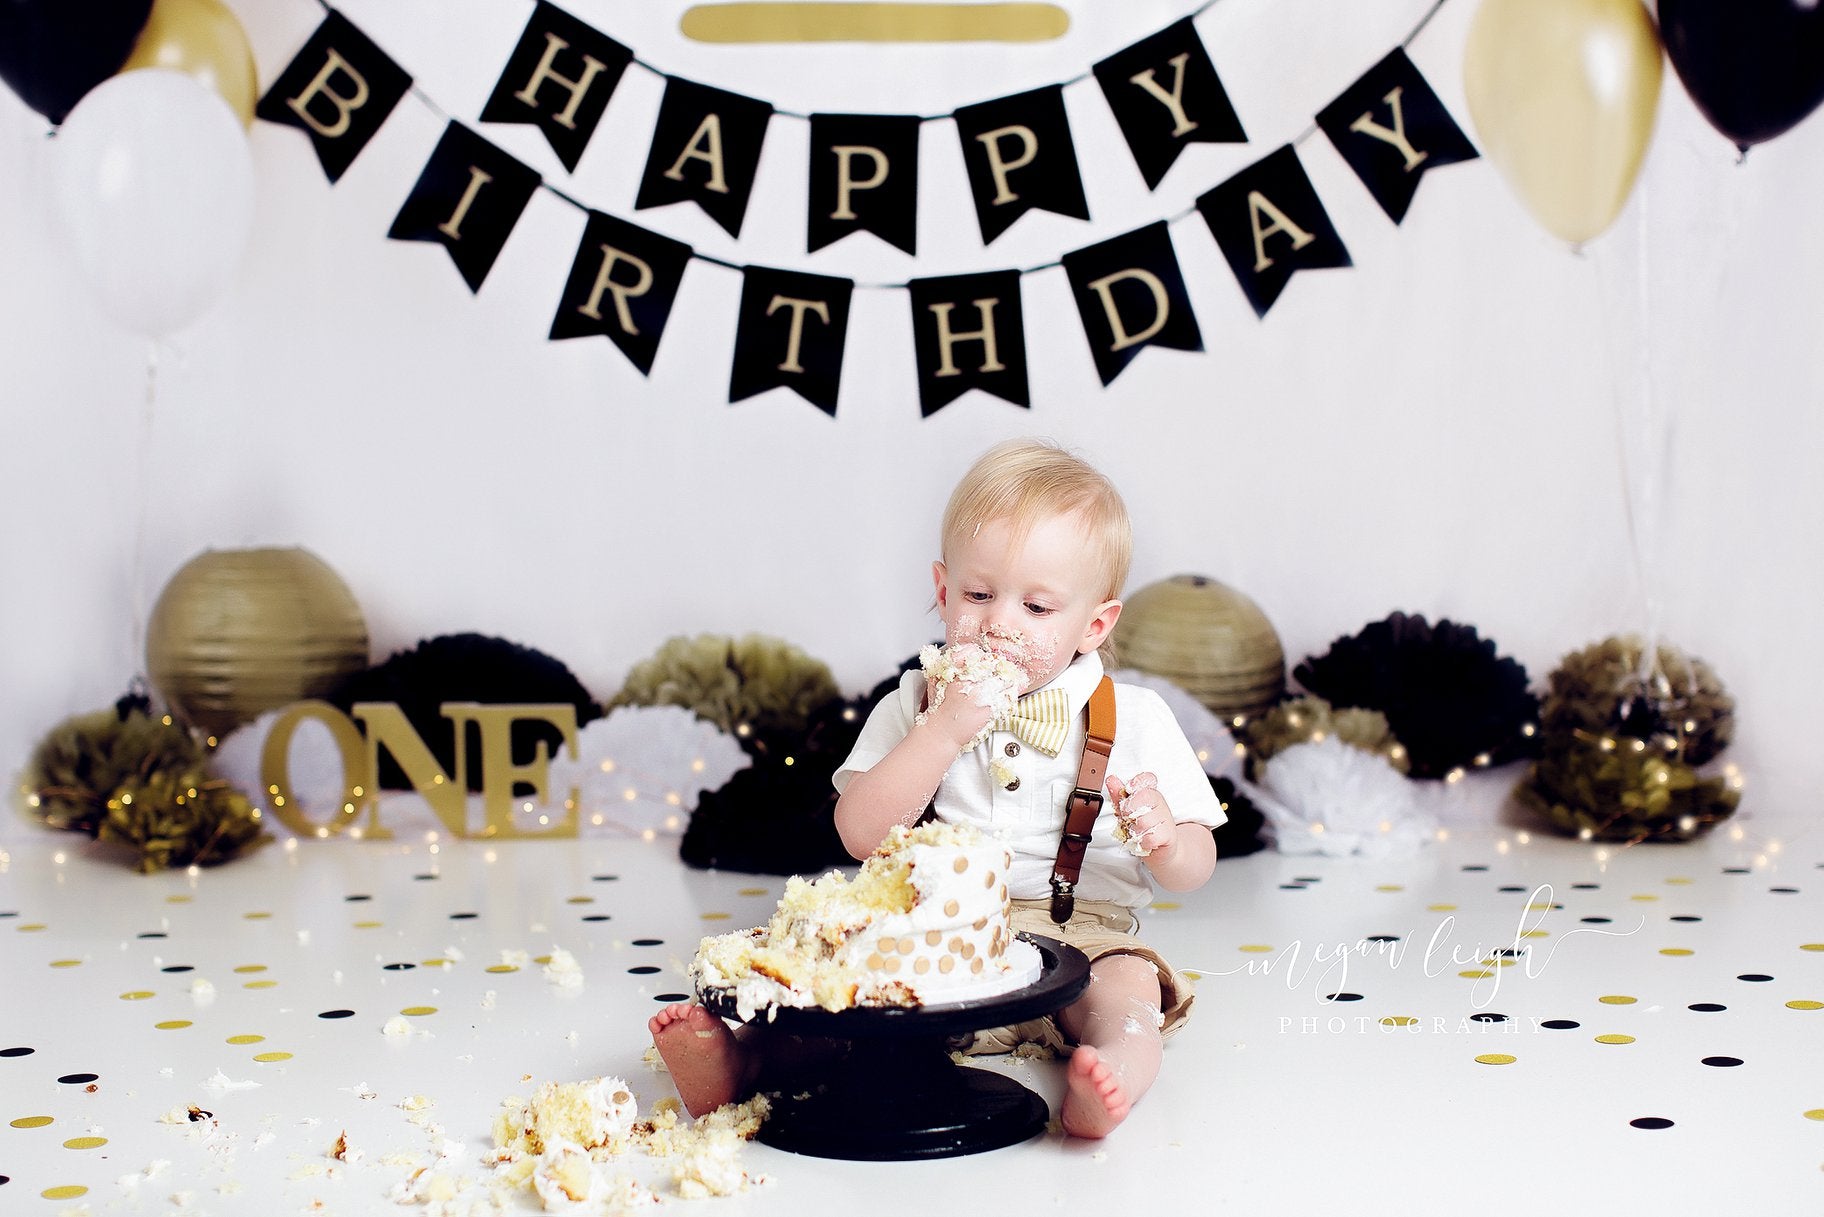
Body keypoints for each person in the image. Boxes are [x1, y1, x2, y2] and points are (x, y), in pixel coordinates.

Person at [651, 437, 1223, 1139]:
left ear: (1094, 624)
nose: (1000, 622)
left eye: (1038, 607)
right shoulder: (914, 704)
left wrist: (1167, 841)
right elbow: (858, 832)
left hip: (1084, 932)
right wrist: (941, 733)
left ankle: (1108, 1081)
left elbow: (1196, 865)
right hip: (935, 933)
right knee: (850, 1008)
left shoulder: (1134, 717)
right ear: (943, 588)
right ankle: (741, 1062)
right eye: (979, 594)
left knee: (1129, 999)